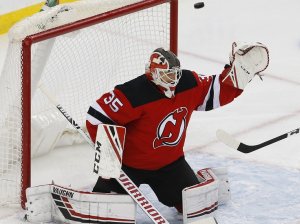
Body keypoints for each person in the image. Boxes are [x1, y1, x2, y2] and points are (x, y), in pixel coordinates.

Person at [85, 43, 269, 214]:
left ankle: (201, 179)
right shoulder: (133, 93)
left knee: (193, 206)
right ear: (153, 74)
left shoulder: (187, 82)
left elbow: (215, 90)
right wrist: (110, 161)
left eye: (175, 73)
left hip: (170, 164)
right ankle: (109, 187)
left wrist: (237, 74)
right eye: (168, 75)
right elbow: (96, 116)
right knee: (109, 208)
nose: (173, 79)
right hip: (129, 167)